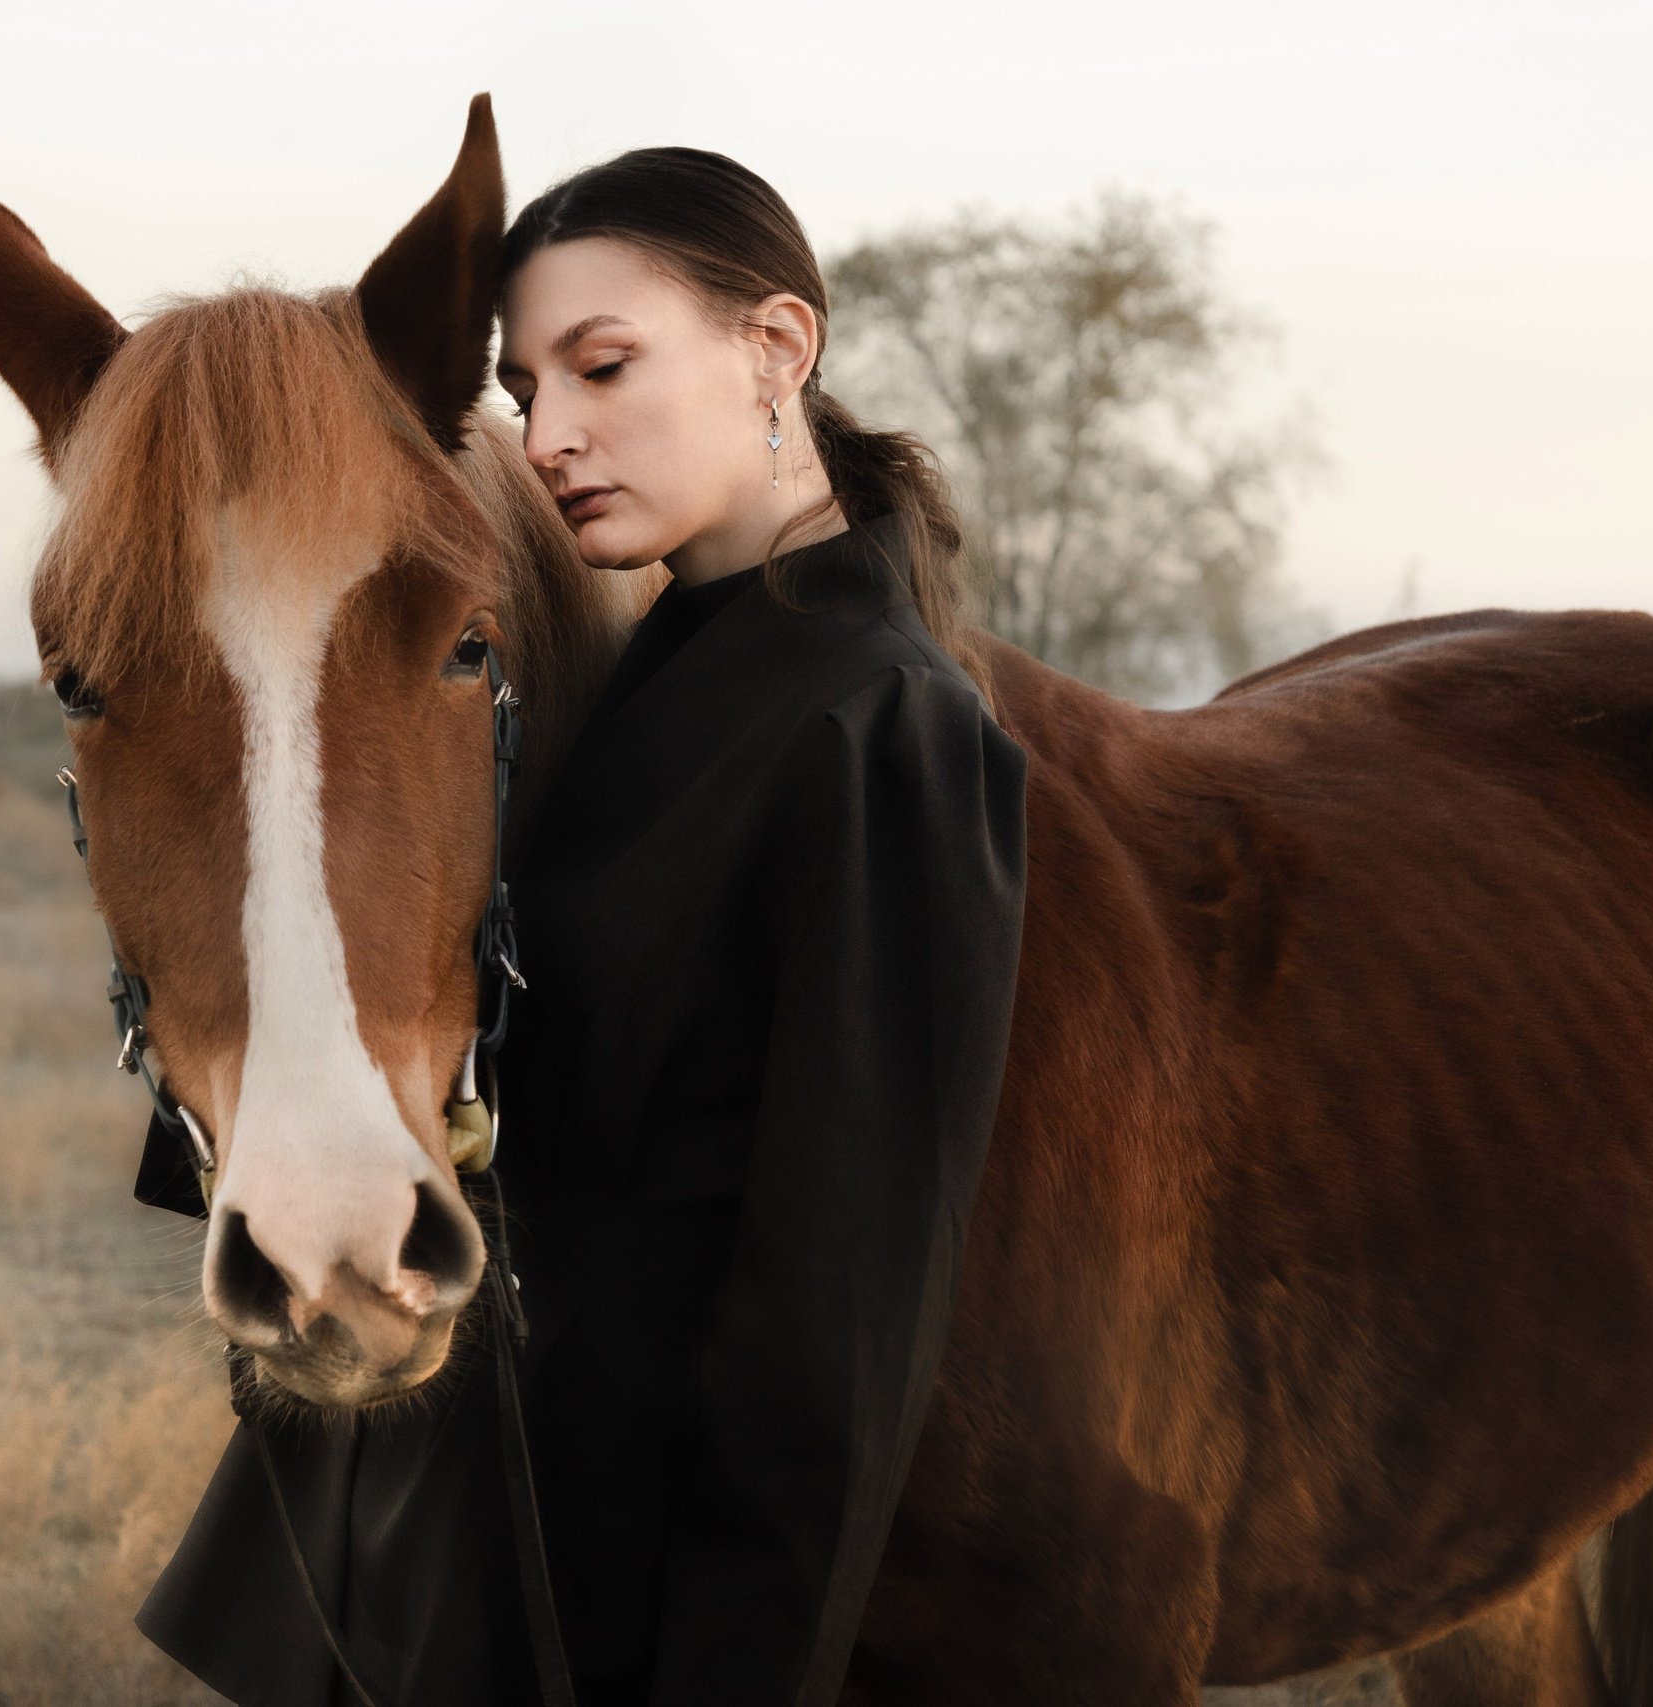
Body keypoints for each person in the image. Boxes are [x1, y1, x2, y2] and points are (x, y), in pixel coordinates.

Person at [142, 146, 1027, 1707]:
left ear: (778, 348)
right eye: (523, 386)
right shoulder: (621, 668)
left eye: (602, 368)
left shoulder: (880, 724)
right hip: (504, 1491)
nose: (546, 435)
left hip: (649, 1574)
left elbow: (839, 1323)